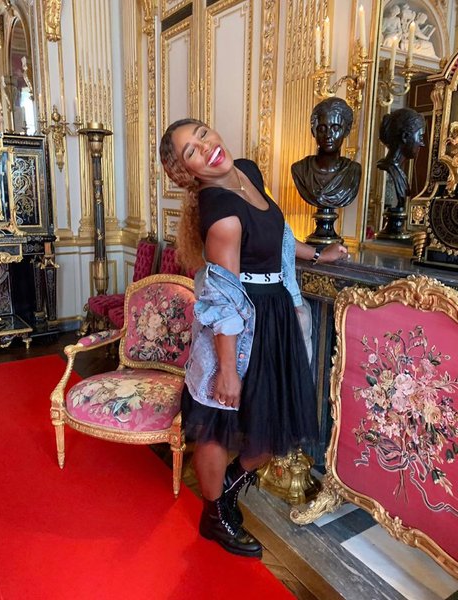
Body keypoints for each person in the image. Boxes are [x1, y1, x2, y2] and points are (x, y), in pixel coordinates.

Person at [159, 118, 347, 558]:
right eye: (192, 152)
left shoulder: (247, 171)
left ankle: (226, 489)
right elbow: (224, 299)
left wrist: (317, 253)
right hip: (240, 327)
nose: (206, 146)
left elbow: (277, 234)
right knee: (218, 423)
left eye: (202, 134)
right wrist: (227, 370)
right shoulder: (221, 213)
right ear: (188, 173)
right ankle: (214, 515)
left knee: (272, 424)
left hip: (275, 315)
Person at [290, 98, 361, 209]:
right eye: (322, 129)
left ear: (346, 131)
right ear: (314, 131)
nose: (328, 135)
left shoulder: (352, 171)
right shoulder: (300, 170)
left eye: (335, 128)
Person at [377, 108, 425, 209]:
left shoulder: (399, 171)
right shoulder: (387, 171)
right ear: (405, 137)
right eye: (420, 138)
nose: (422, 144)